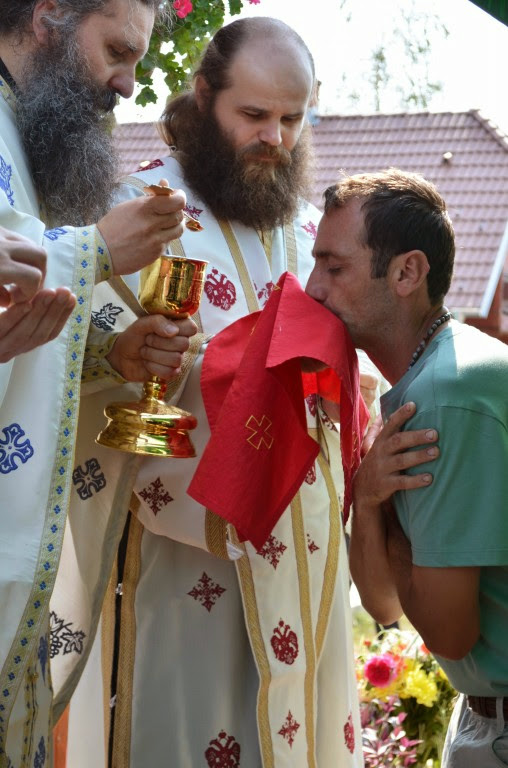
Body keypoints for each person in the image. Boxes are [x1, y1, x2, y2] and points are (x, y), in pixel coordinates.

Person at [56, 17, 383, 768]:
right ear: (204, 97)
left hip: (305, 563)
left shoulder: (306, 230)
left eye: (292, 120)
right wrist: (189, 378)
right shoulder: (140, 213)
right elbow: (96, 389)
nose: (275, 139)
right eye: (254, 114)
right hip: (187, 569)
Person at [0, 1, 188, 765]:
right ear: (48, 14)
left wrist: (110, 358)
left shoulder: (22, 135)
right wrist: (94, 253)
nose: (129, 83)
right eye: (117, 50)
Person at [305, 168, 508, 767]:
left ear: (406, 273)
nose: (313, 288)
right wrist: (368, 500)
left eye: (334, 268)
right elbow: (385, 605)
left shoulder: (445, 394)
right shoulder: (428, 378)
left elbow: (448, 634)